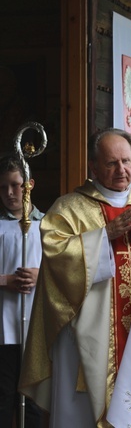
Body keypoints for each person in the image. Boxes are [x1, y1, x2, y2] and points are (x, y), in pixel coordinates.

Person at [19, 128, 131, 427]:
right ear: (93, 167)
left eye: (126, 161)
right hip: (86, 335)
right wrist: (105, 235)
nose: (121, 169)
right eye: (111, 163)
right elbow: (56, 256)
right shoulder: (68, 209)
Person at [0, 155, 43, 427]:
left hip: (37, 325)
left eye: (16, 185)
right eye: (3, 187)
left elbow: (66, 268)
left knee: (35, 400)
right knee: (4, 395)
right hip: (3, 325)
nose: (9, 193)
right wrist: (7, 281)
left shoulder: (49, 225)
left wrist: (41, 274)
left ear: (29, 185)